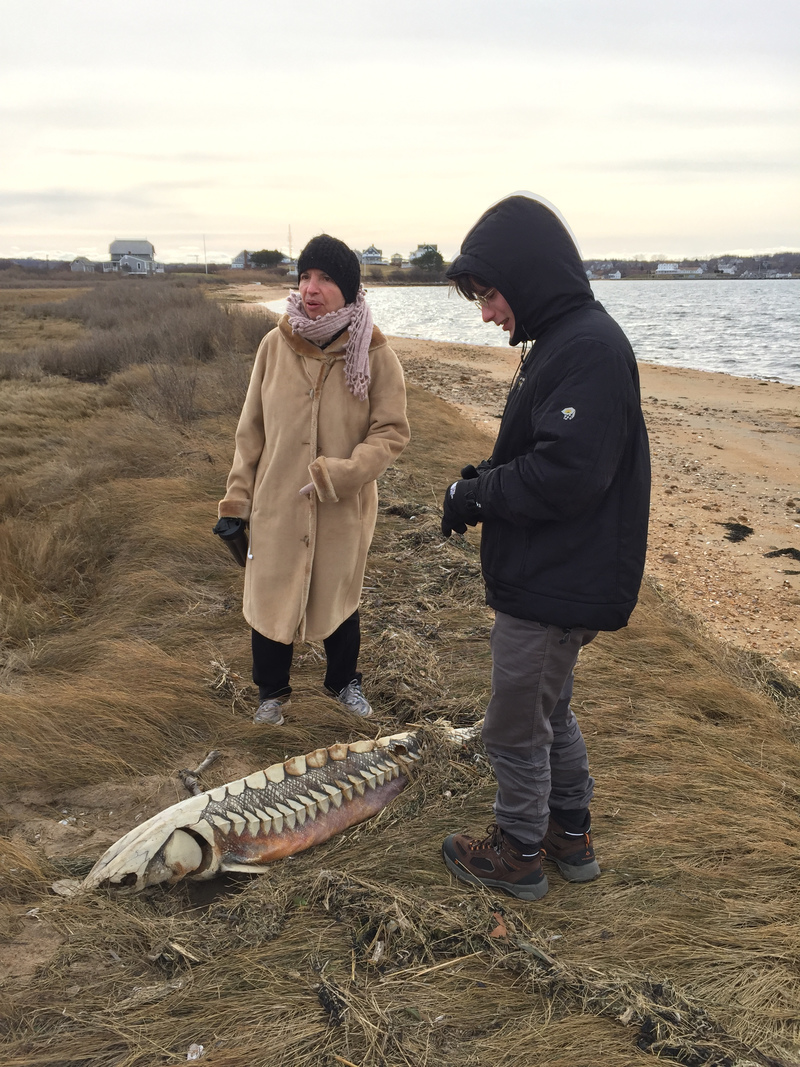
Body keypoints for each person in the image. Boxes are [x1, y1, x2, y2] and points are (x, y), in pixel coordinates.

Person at [439, 194, 650, 901]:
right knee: (548, 710)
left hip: (554, 581)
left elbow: (567, 474)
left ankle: (518, 852)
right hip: (556, 573)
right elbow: (543, 450)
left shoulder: (588, 347)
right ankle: (570, 834)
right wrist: (481, 481)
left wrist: (477, 497)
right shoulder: (564, 340)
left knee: (514, 727)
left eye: (490, 294)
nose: (487, 313)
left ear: (526, 275)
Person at [216, 234, 410, 725]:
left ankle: (343, 683)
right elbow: (251, 432)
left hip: (343, 505)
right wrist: (236, 501)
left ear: (348, 288)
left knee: (339, 594)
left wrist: (345, 474)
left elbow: (390, 431)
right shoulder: (274, 346)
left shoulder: (375, 353)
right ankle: (272, 694)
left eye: (324, 278)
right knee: (269, 593)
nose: (311, 288)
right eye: (305, 276)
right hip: (276, 502)